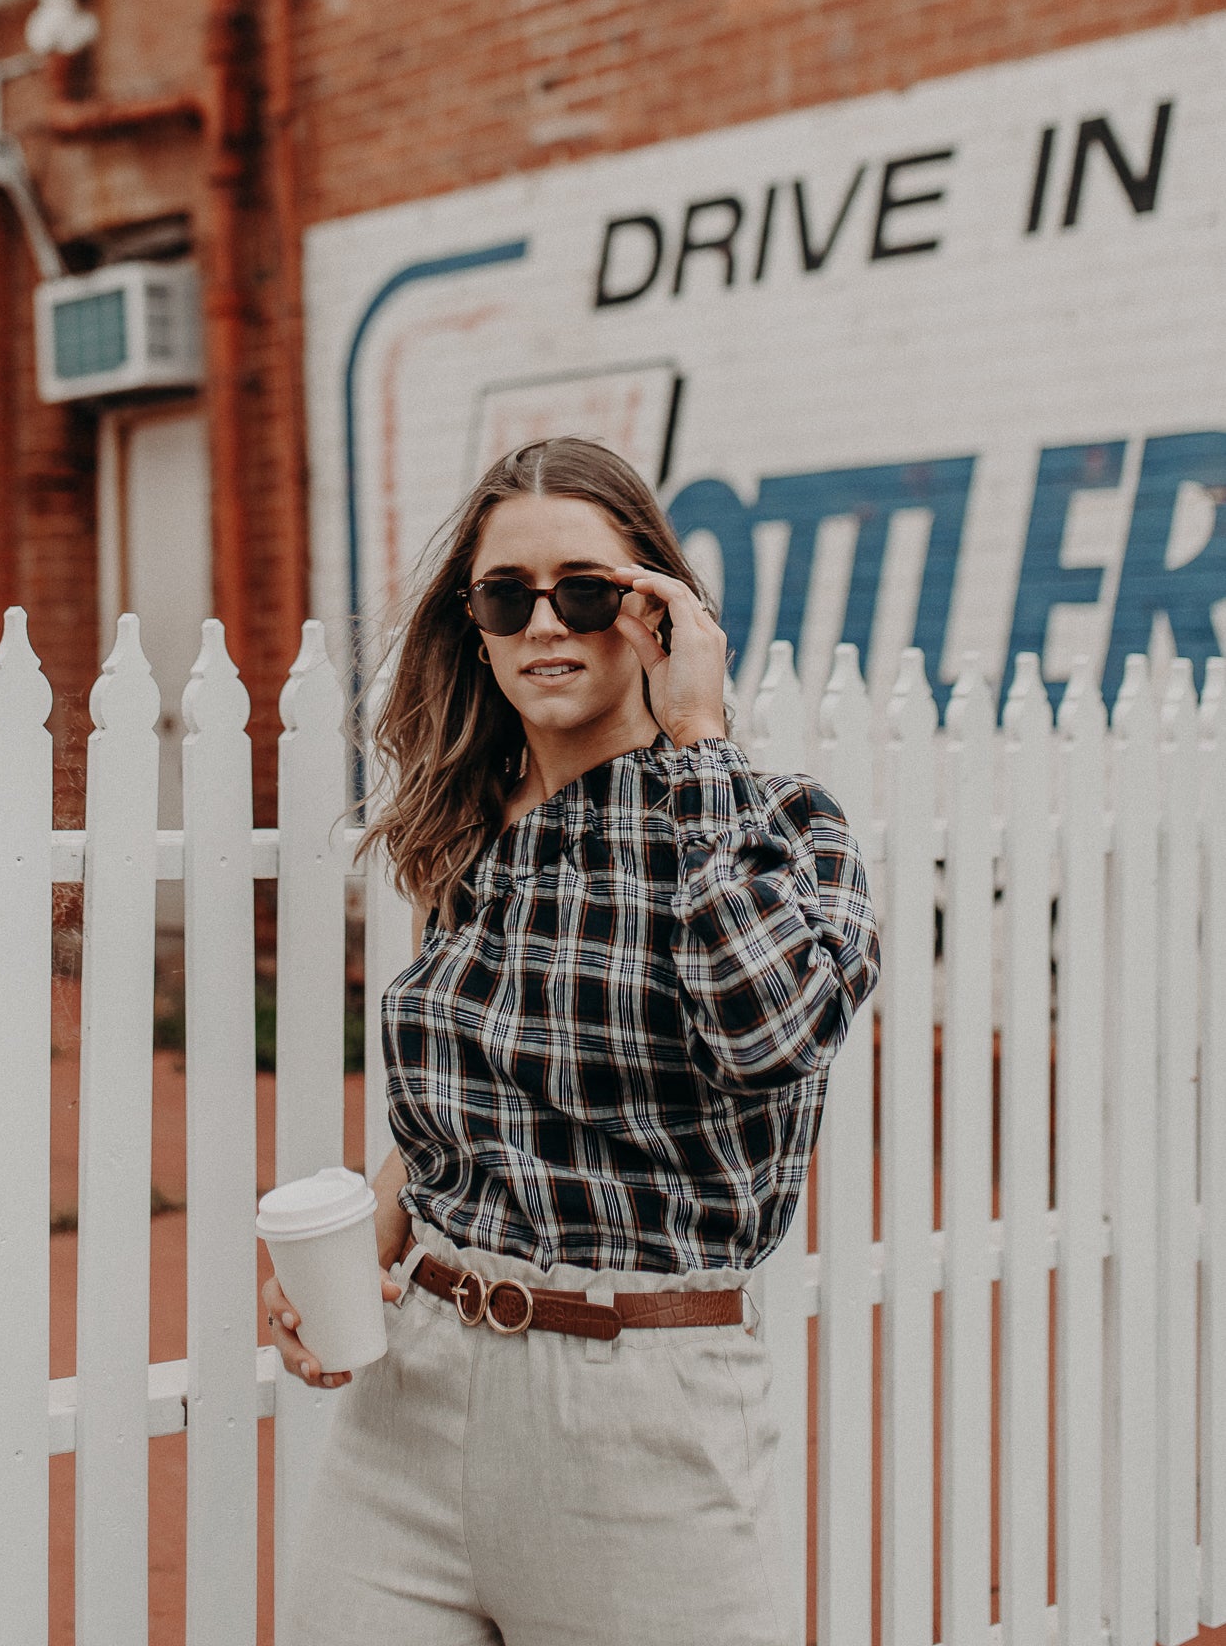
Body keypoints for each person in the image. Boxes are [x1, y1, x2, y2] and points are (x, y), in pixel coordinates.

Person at [263, 436, 879, 1645]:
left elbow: (769, 1033)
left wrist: (696, 733)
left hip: (639, 1410)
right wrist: (374, 1224)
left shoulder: (780, 823)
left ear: (657, 607)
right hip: (413, 1394)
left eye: (586, 590)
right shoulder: (466, 829)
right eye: (508, 595)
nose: (545, 621)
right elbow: (480, 1092)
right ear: (476, 625)